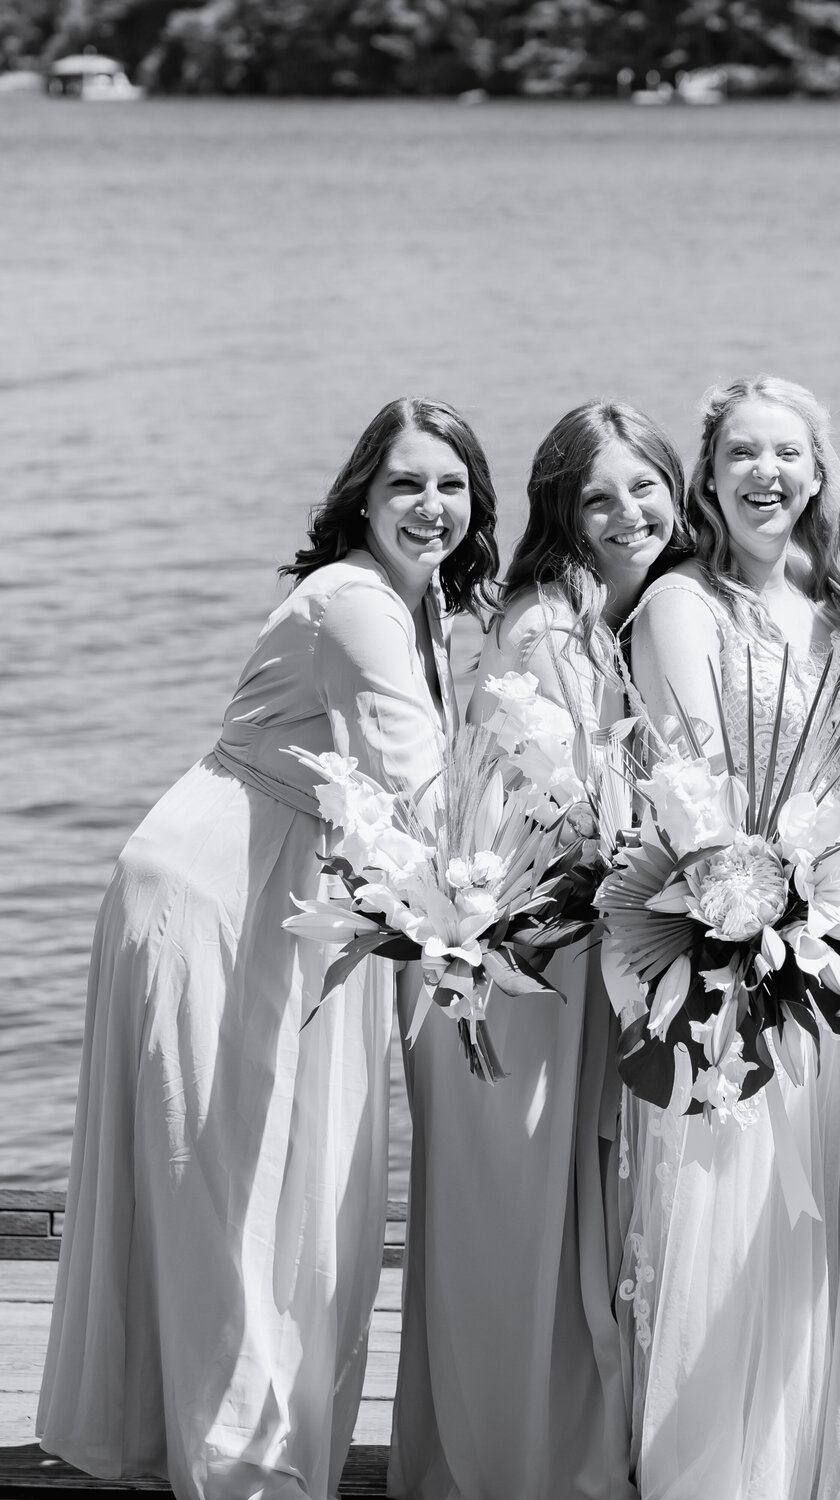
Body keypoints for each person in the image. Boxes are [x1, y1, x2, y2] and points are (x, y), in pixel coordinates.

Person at [37, 397, 499, 1500]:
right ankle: (247, 1475)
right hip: (218, 902)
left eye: (450, 484)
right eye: (405, 485)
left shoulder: (413, 604)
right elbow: (423, 782)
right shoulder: (352, 602)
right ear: (360, 498)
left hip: (298, 904)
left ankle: (245, 1453)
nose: (430, 506)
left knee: (301, 1191)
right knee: (237, 1194)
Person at [389, 399, 689, 1500]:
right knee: (518, 1228)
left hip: (554, 950)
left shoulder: (617, 615)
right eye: (596, 496)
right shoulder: (548, 630)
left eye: (644, 485)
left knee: (560, 1226)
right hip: (520, 964)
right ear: (561, 514)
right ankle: (518, 1470)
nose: (627, 512)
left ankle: (524, 1452)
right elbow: (586, 818)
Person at [619, 376, 840, 1500]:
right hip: (725, 950)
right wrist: (744, 910)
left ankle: (814, 1456)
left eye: (788, 454)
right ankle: (714, 1471)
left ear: (818, 472)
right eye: (741, 456)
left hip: (833, 948)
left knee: (822, 1199)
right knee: (727, 1196)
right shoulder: (684, 603)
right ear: (710, 479)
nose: (766, 474)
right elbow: (681, 779)